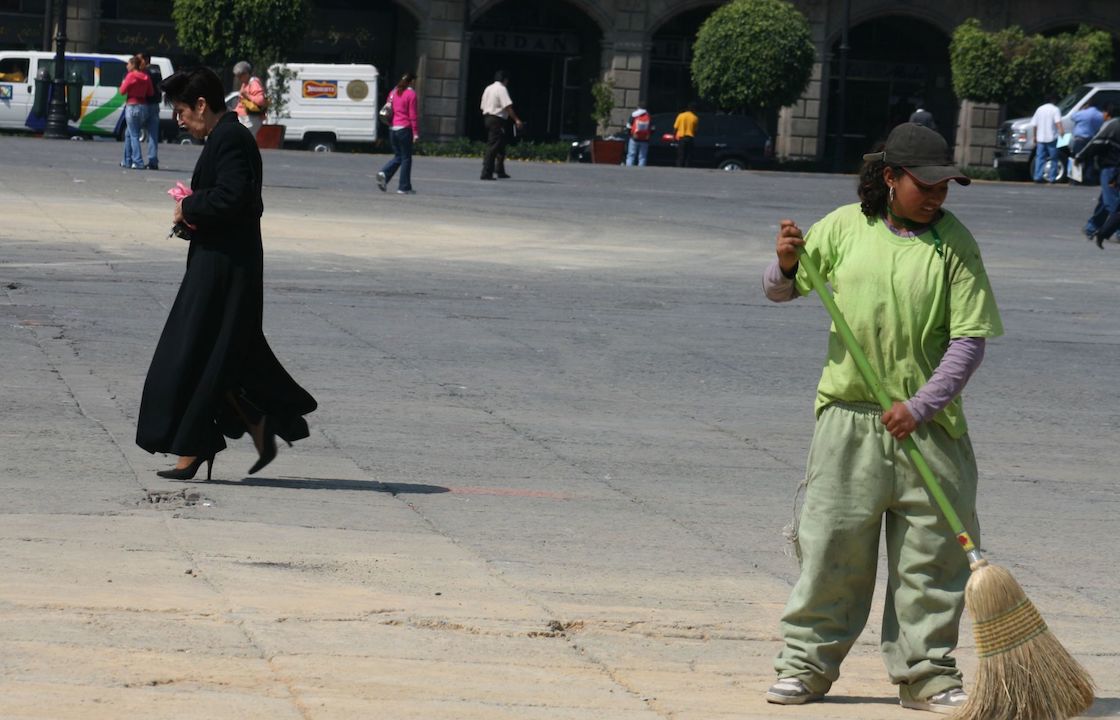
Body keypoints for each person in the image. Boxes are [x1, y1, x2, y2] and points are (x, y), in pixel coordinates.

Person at [761, 123, 1003, 714]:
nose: (938, 195)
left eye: (946, 184)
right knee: (832, 550)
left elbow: (969, 340)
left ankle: (927, 675)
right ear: (890, 178)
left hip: (929, 430)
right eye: (926, 184)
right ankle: (805, 666)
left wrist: (920, 405)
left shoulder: (955, 244)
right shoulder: (843, 227)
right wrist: (787, 264)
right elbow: (779, 291)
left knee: (933, 559)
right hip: (849, 420)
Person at [136, 67, 317, 480]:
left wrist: (191, 207)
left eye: (182, 110)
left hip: (226, 270)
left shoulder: (232, 138)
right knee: (217, 355)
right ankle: (250, 429)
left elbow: (238, 198)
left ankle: (205, 442)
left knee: (191, 355)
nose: (179, 119)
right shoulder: (224, 136)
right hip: (218, 263)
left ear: (202, 104)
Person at [1074, 105, 1120, 248]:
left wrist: (1080, 156)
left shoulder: (1112, 125)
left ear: (1108, 113)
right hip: (1115, 168)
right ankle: (1092, 226)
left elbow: (1095, 143)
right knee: (1104, 200)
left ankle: (1117, 230)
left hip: (1111, 168)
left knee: (1111, 202)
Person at [376, 72, 419, 194]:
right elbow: (412, 115)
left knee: (399, 156)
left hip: (393, 129)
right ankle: (403, 187)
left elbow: (388, 109)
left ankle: (384, 174)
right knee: (406, 158)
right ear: (412, 82)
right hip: (404, 128)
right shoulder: (411, 94)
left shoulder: (393, 92)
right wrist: (415, 133)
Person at [480, 70, 523, 181]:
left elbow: (482, 106)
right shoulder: (502, 89)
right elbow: (507, 106)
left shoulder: (488, 88)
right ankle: (486, 172)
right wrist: (517, 120)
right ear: (505, 80)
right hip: (497, 119)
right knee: (493, 146)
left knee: (500, 145)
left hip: (487, 117)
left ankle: (500, 170)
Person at [118, 56, 152, 169]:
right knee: (129, 133)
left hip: (132, 105)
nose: (127, 66)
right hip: (143, 106)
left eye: (128, 64)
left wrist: (124, 83)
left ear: (133, 65)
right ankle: (126, 160)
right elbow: (150, 92)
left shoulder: (131, 76)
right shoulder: (146, 77)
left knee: (134, 135)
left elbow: (122, 91)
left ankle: (138, 161)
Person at [1070, 101, 1105, 185]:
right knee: (1090, 160)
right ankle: (1088, 180)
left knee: (1077, 159)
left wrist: (1081, 109)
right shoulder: (1100, 115)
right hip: (1091, 140)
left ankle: (1076, 180)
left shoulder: (1082, 113)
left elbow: (1072, 117)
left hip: (1080, 139)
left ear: (1087, 105)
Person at [1030, 95, 1063, 183]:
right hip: (1052, 137)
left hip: (1040, 138)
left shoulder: (1039, 109)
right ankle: (1052, 178)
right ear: (1054, 100)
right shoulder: (1055, 109)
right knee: (1054, 158)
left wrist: (1034, 136)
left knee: (1040, 158)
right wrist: (1062, 133)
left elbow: (1034, 124)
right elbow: (1058, 123)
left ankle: (1038, 176)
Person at [139, 52, 162, 170]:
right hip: (156, 104)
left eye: (140, 60)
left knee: (132, 132)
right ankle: (153, 160)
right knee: (153, 134)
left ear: (145, 60)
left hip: (145, 103)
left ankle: (134, 159)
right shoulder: (157, 70)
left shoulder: (144, 72)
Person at [233, 60, 267, 138]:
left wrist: (247, 95)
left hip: (251, 118)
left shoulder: (254, 83)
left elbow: (260, 100)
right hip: (245, 117)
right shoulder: (245, 84)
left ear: (246, 74)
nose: (238, 78)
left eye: (240, 76)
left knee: (244, 139)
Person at [673, 102, 699, 167]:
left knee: (680, 156)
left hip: (681, 138)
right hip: (690, 138)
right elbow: (695, 131)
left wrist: (674, 137)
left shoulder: (680, 116)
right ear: (693, 109)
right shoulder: (695, 118)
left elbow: (675, 128)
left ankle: (679, 167)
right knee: (688, 156)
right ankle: (687, 168)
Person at [626, 103, 651, 167]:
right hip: (645, 139)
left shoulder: (634, 115)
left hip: (634, 138)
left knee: (631, 155)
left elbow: (628, 126)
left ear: (638, 107)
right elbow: (653, 128)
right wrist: (648, 135)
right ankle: (641, 171)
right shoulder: (648, 116)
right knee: (642, 156)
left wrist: (630, 135)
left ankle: (628, 169)